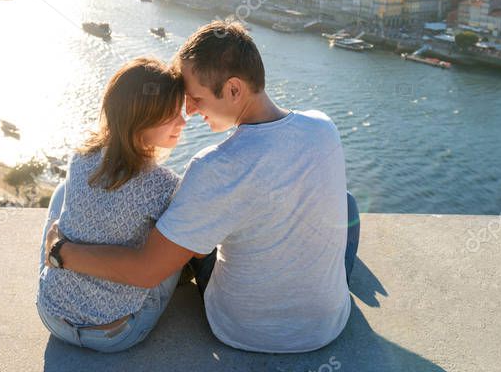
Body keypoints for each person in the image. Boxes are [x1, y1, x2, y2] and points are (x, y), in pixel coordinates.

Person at [46, 21, 359, 354]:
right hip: (328, 325)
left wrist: (61, 251)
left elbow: (147, 270)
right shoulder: (323, 127)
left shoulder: (213, 168)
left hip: (243, 329)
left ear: (234, 89)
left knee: (188, 225)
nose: (190, 111)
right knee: (348, 205)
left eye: (195, 98)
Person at [36, 57, 188, 353]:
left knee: (62, 192)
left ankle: (54, 259)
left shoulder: (80, 158)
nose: (183, 121)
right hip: (115, 334)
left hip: (51, 316)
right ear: (140, 119)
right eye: (172, 114)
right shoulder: (164, 185)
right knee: (177, 235)